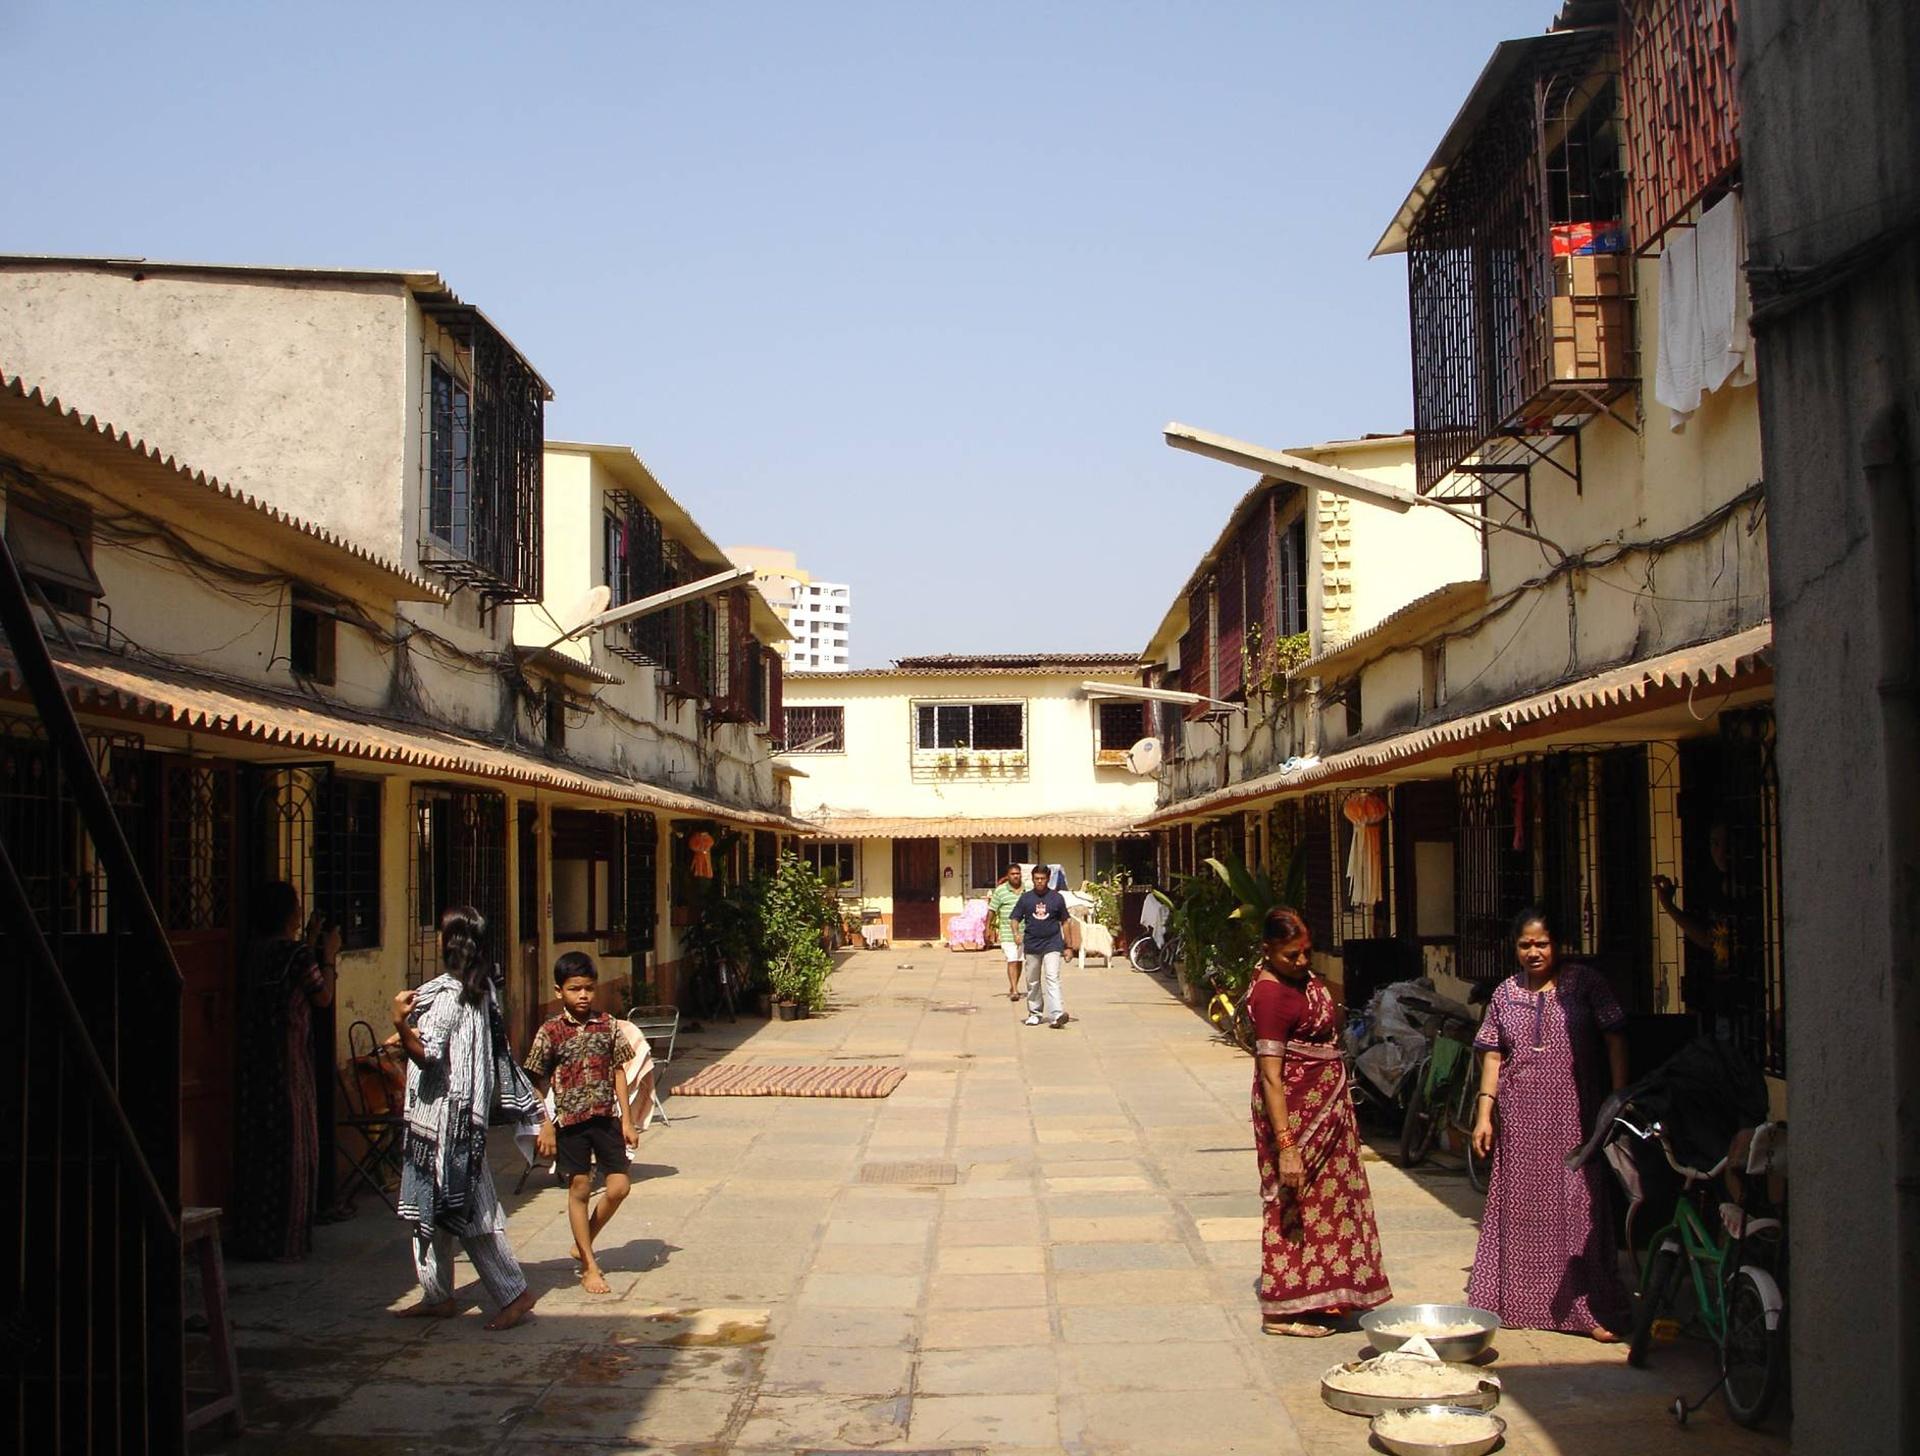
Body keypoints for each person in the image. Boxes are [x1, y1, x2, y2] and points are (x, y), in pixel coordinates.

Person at [1468, 906, 1632, 1341]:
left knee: (1578, 1205)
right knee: (1523, 1208)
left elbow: (1615, 1034)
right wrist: (1485, 1113)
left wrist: (1618, 1097)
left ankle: (1586, 1308)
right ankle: (1521, 1303)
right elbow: (1493, 1053)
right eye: (1525, 945)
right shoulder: (1505, 993)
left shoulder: (1585, 984)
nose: (1533, 952)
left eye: (1541, 943)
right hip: (1520, 1117)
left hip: (1577, 1115)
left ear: (1558, 944)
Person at [390, 907, 544, 1330]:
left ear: (449, 943)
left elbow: (429, 1052)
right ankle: (436, 1292)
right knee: (432, 1211)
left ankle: (513, 1292)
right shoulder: (479, 990)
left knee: (471, 1215)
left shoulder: (449, 994)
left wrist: (401, 1023)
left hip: (445, 1125)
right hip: (462, 1119)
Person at [1248, 907, 1391, 1335]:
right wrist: (1287, 1145)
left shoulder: (1302, 980)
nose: (1302, 962)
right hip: (1294, 1116)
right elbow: (1272, 1078)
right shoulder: (1271, 995)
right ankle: (1281, 1309)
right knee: (1292, 1199)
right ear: (1267, 951)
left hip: (1328, 1112)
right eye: (1291, 955)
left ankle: (1324, 1290)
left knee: (1330, 1203)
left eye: (1306, 952)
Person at [230, 882, 338, 1261]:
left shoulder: (252, 953)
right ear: (288, 914)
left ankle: (253, 1232)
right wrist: (328, 956)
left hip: (251, 1060)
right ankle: (289, 1238)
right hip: (289, 1059)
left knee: (257, 1143)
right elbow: (322, 996)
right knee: (295, 1144)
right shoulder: (296, 957)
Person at [523, 952, 639, 1295]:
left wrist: (628, 1120)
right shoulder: (551, 1031)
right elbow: (535, 1079)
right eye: (575, 989)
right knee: (580, 1188)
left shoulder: (608, 1025)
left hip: (605, 1118)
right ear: (560, 992)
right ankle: (589, 1265)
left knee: (619, 1187)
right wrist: (544, 1124)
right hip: (570, 1123)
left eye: (589, 988)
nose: (583, 996)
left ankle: (584, 1238)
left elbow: (619, 1071)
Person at [1011, 864, 1070, 1028]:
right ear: (1032, 879)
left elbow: (1065, 921)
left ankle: (1057, 1014)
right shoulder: (1026, 898)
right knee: (1033, 981)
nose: (1039, 882)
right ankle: (1035, 1013)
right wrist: (1016, 933)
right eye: (1036, 879)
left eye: (1042, 879)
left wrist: (1068, 946)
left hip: (1052, 943)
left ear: (1048, 878)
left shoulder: (1057, 898)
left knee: (1052, 978)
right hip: (1032, 945)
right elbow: (1015, 918)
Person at [987, 863, 1025, 1001]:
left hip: (1025, 932)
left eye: (1018, 873)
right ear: (1008, 876)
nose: (1016, 876)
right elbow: (992, 910)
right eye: (1013, 874)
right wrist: (988, 929)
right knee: (1012, 959)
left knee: (1020, 960)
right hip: (1007, 933)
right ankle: (1014, 990)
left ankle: (1014, 985)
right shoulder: (1001, 891)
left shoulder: (1028, 889)